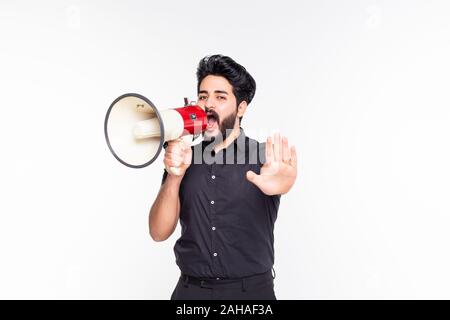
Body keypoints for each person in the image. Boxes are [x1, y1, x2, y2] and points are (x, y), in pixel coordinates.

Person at [148, 54, 297, 300]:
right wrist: (174, 177)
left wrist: (283, 184)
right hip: (190, 293)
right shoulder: (183, 156)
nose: (208, 104)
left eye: (220, 97)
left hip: (251, 295)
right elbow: (158, 232)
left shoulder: (266, 157)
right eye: (203, 96)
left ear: (241, 107)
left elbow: (282, 179)